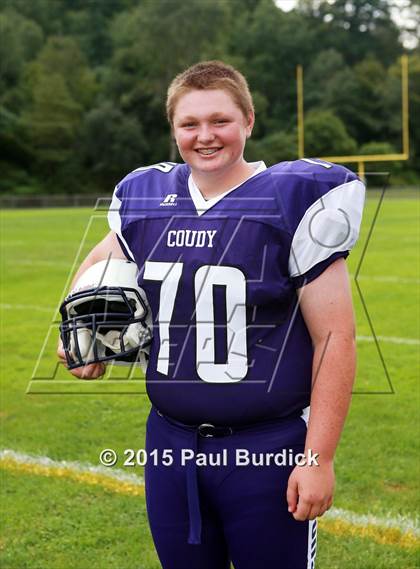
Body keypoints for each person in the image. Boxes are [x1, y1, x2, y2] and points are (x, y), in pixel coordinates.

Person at [58, 60, 365, 569]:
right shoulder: (147, 196)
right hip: (170, 445)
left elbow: (336, 338)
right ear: (174, 130)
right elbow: (99, 260)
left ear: (248, 120)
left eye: (220, 121)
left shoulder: (293, 199)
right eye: (190, 124)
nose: (206, 136)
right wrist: (79, 338)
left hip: (267, 448)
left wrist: (319, 458)